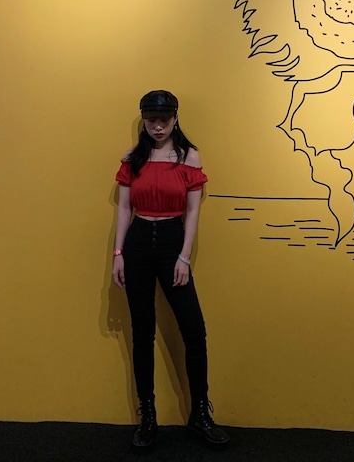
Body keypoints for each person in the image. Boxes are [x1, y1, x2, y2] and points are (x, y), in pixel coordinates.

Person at [112, 89, 229, 451]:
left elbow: (192, 213)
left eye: (164, 120)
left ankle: (199, 414)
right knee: (142, 332)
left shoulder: (189, 157)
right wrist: (118, 254)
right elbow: (124, 209)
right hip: (137, 243)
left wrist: (184, 257)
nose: (158, 126)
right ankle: (147, 416)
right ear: (144, 121)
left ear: (176, 119)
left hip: (172, 243)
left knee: (194, 330)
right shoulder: (132, 159)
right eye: (151, 120)